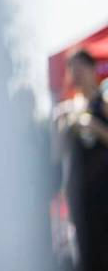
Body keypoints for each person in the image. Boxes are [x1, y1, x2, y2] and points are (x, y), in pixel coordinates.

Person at [55, 50, 108, 271]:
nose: (75, 74)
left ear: (92, 69)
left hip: (105, 192)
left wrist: (94, 127)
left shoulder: (102, 104)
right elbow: (57, 156)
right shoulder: (65, 112)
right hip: (80, 196)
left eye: (79, 68)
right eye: (71, 69)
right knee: (87, 256)